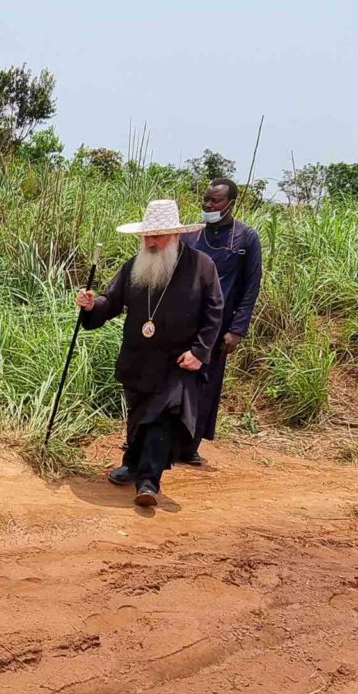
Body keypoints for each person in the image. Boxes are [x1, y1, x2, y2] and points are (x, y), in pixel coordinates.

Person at [77, 200, 224, 507]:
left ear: (175, 235)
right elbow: (111, 301)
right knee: (139, 415)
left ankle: (149, 481)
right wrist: (92, 306)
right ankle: (132, 463)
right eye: (148, 236)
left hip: (177, 361)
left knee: (162, 418)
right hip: (138, 359)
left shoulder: (201, 267)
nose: (152, 242)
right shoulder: (134, 266)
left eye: (159, 236)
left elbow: (214, 313)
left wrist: (199, 351)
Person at [177, 178, 263, 465]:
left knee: (206, 386)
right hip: (184, 323)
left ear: (231, 204)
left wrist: (237, 330)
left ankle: (190, 447)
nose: (208, 205)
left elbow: (251, 287)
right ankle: (164, 441)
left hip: (218, 328)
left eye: (215, 201)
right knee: (175, 381)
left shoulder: (246, 238)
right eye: (206, 199)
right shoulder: (191, 235)